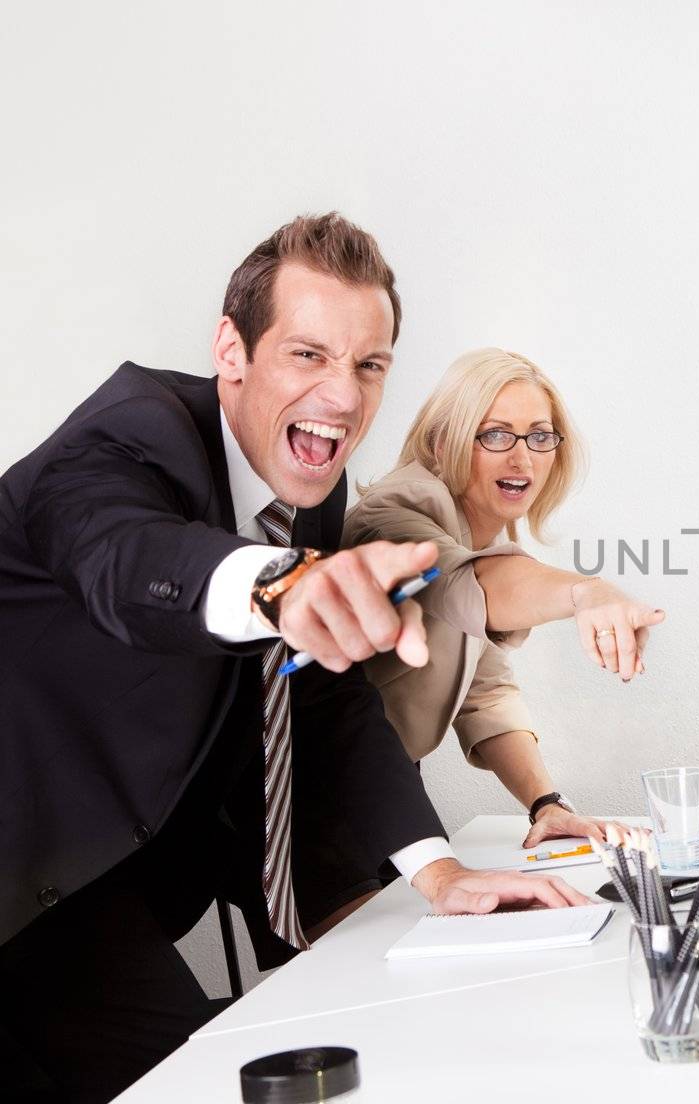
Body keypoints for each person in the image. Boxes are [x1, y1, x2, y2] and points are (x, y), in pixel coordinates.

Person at [0, 214, 588, 1101]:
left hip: (117, 884)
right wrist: (282, 587)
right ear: (231, 350)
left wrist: (439, 872)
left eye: (369, 365)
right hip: (28, 868)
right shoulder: (128, 434)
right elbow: (122, 558)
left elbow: (325, 703)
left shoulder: (307, 488)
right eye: (308, 355)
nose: (344, 399)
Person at [345, 348, 664, 846]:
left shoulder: (482, 535)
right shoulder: (393, 512)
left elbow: (485, 693)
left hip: (384, 783)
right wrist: (588, 592)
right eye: (495, 434)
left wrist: (546, 805)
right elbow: (467, 586)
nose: (522, 457)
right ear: (441, 441)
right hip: (312, 789)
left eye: (539, 436)